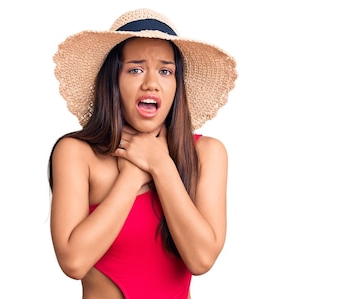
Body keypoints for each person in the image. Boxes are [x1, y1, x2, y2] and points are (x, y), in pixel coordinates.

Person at [47, 8, 237, 299]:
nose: (151, 83)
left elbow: (201, 259)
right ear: (113, 81)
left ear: (177, 85)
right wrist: (133, 175)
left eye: (165, 71)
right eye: (135, 69)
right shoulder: (76, 153)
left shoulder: (207, 154)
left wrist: (161, 165)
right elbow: (73, 261)